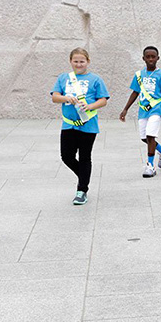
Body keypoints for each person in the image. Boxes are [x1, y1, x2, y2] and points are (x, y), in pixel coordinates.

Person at [50, 47, 110, 205]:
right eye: (75, 61)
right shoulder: (63, 78)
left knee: (84, 157)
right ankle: (84, 176)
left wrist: (89, 106)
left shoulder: (95, 79)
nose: (78, 64)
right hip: (68, 125)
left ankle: (81, 190)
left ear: (88, 62)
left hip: (88, 125)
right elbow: (55, 97)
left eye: (82, 61)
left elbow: (103, 100)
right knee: (66, 156)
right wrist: (66, 98)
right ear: (70, 61)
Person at [119, 46, 161, 178]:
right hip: (143, 110)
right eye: (148, 57)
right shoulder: (139, 75)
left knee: (151, 136)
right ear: (143, 58)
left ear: (158, 58)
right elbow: (135, 92)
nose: (151, 59)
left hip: (156, 109)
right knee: (144, 138)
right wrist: (125, 109)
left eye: (153, 56)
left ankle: (150, 166)